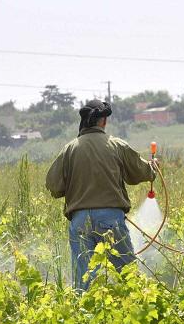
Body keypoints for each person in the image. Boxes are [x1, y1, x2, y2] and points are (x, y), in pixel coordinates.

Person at [46, 99, 157, 290]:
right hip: (111, 220)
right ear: (104, 121)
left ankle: (84, 308)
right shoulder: (116, 145)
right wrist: (153, 168)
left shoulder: (70, 149)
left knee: (85, 281)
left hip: (80, 221)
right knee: (128, 277)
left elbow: (53, 186)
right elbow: (141, 172)